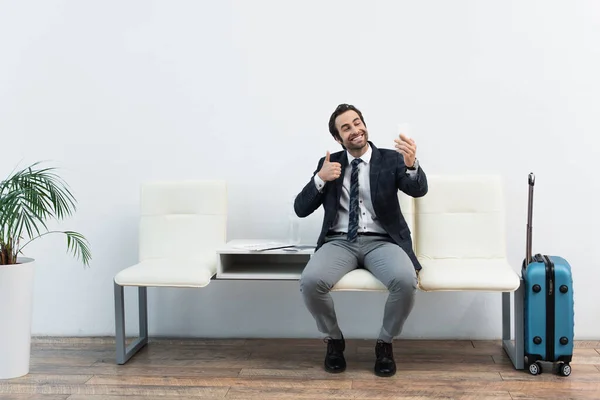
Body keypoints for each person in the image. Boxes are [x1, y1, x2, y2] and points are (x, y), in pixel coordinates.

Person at [294, 103, 428, 377]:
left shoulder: (391, 159)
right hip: (339, 242)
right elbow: (301, 208)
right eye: (346, 127)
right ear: (337, 138)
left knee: (405, 281)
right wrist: (321, 178)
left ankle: (385, 343)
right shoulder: (329, 163)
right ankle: (333, 339)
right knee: (310, 282)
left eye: (357, 122)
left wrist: (412, 164)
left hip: (383, 242)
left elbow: (418, 190)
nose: (355, 130)